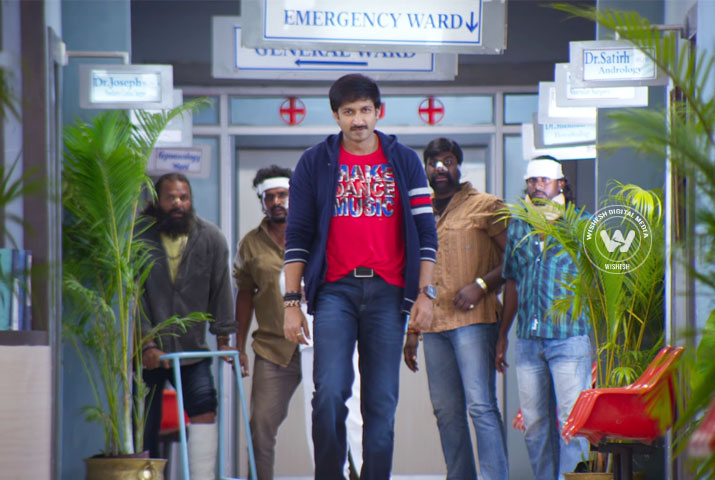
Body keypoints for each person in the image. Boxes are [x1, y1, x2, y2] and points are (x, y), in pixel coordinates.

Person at [282, 73, 438, 480]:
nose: (358, 120)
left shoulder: (404, 160)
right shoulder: (314, 162)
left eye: (365, 110)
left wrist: (426, 294)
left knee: (381, 404)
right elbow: (297, 237)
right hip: (336, 291)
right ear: (336, 115)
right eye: (348, 112)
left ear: (378, 112)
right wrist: (291, 303)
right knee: (329, 393)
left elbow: (426, 232)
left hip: (389, 293)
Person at [403, 138, 508, 480]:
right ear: (425, 169)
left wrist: (481, 285)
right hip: (434, 325)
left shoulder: (486, 205)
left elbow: (515, 260)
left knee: (480, 406)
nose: (440, 168)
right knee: (446, 412)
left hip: (474, 322)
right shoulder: (419, 212)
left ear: (459, 166)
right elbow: (415, 272)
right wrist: (413, 329)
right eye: (433, 162)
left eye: (447, 161)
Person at [495, 155, 592, 480]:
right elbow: (511, 281)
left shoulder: (580, 223)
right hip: (527, 340)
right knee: (535, 426)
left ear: (560, 184)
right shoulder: (518, 225)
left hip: (568, 337)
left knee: (571, 423)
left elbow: (598, 276)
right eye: (532, 180)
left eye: (544, 180)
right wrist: (502, 335)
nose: (537, 186)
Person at [139, 172, 235, 479]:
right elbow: (132, 297)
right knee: (144, 424)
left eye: (184, 197)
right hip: (148, 353)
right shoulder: (138, 238)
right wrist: (146, 343)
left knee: (205, 409)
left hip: (192, 350)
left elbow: (221, 290)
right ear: (157, 201)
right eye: (171, 198)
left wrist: (223, 339)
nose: (178, 203)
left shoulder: (211, 237)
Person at [233, 165, 302, 480]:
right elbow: (245, 295)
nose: (277, 202)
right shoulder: (250, 243)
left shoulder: (315, 233)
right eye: (269, 197)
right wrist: (239, 346)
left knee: (337, 418)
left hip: (321, 346)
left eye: (283, 195)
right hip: (273, 348)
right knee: (260, 425)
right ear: (262, 201)